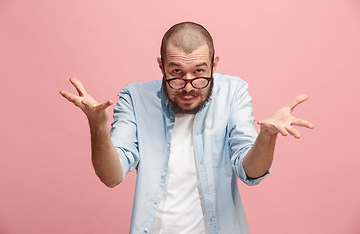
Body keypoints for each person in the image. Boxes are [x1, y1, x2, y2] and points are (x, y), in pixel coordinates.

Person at [60, 22, 313, 234]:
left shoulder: (234, 93)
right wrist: (98, 128)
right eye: (177, 72)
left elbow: (250, 172)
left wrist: (267, 137)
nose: (189, 86)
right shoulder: (134, 98)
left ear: (214, 64)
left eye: (199, 72)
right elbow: (111, 176)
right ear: (161, 66)